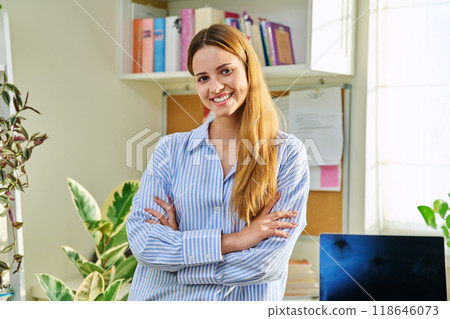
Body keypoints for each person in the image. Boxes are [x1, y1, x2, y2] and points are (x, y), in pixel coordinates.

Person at [126, 24, 310, 301]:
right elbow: (144, 243)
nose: (215, 87)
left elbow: (266, 263)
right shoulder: (170, 150)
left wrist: (182, 265)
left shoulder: (287, 154)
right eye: (202, 78)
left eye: (225, 71)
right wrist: (237, 240)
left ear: (248, 69)